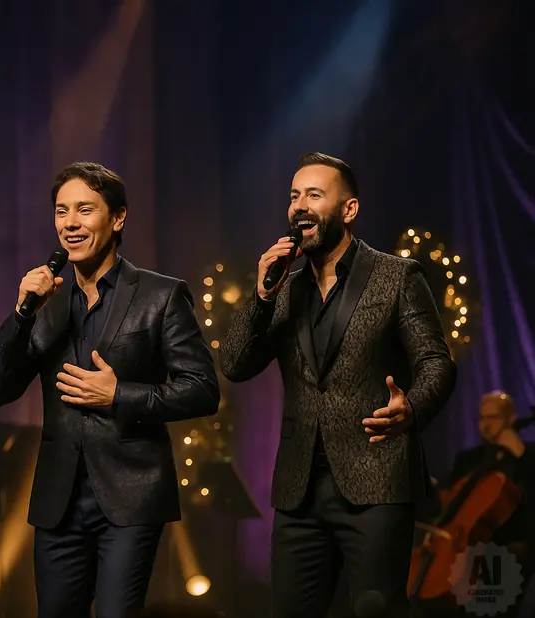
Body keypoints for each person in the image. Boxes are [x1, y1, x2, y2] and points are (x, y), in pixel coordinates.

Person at [219, 152, 457, 617]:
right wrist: (262, 295)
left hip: (376, 479)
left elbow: (437, 363)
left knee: (376, 608)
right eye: (293, 196)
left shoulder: (396, 277)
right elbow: (234, 364)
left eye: (313, 194)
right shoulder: (284, 290)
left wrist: (410, 406)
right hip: (298, 489)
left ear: (349, 210)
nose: (299, 206)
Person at [0, 162, 221, 618]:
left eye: (84, 210)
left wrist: (119, 395)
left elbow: (202, 390)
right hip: (58, 502)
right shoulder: (46, 300)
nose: (70, 223)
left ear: (118, 217)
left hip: (130, 497)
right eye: (61, 211)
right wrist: (21, 314)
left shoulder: (161, 295)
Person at [445, 391, 534, 617]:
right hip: (468, 544)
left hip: (512, 541)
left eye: (493, 418)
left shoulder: (529, 455)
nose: (486, 425)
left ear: (510, 419)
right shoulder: (468, 459)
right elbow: (445, 496)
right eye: (482, 418)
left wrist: (519, 454)